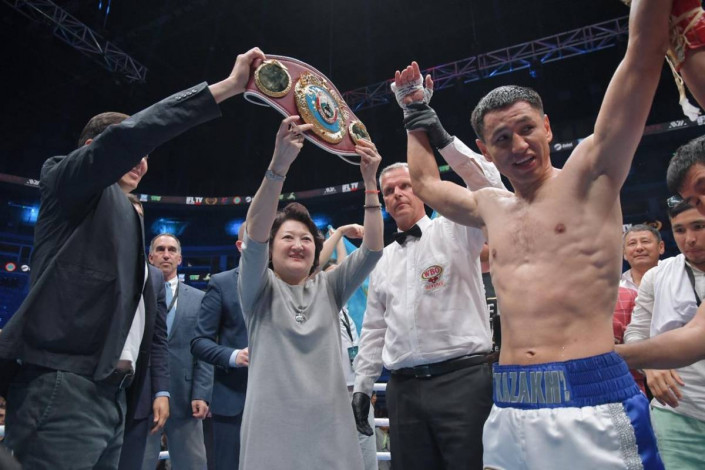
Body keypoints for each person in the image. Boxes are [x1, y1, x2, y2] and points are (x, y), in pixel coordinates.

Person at [401, 0, 670, 466]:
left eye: (527, 129)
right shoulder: (491, 206)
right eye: (502, 139)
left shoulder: (591, 175)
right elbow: (424, 183)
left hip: (589, 396)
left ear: (546, 127)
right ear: (486, 149)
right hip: (509, 403)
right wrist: (412, 111)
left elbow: (642, 57)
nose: (519, 145)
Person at [0, 47, 266, 468]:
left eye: (145, 157)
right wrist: (227, 88)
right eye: (133, 151)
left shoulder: (129, 215)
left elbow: (149, 331)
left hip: (115, 394)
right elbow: (130, 136)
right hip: (64, 383)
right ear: (96, 149)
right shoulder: (65, 178)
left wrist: (155, 390)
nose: (141, 162)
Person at [237, 116, 383, 469]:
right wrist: (278, 166)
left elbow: (373, 249)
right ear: (270, 249)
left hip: (329, 425)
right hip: (272, 427)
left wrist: (370, 183)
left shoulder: (329, 288)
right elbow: (255, 234)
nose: (298, 245)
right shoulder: (257, 288)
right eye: (287, 237)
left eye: (306, 239)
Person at [624, 202, 705, 468]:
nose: (689, 239)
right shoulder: (657, 276)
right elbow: (636, 332)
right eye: (680, 230)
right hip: (678, 412)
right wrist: (650, 365)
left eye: (699, 227)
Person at [142, 234, 213, 470]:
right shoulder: (137, 295)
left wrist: (202, 392)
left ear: (180, 259)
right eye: (160, 249)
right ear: (150, 257)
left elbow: (204, 349)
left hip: (186, 397)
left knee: (192, 464)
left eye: (172, 250)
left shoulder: (199, 299)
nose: (166, 255)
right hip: (144, 394)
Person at [117, 195, 171, 470]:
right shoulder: (96, 257)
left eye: (137, 217)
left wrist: (161, 391)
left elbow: (158, 341)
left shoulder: (155, 277)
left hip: (136, 391)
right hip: (89, 386)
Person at [190, 225, 249, 470]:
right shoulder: (222, 283)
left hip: (278, 400)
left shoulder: (284, 282)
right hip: (233, 399)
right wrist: (235, 356)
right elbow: (199, 342)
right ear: (240, 246)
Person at [323, 224, 378, 470]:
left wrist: (339, 240)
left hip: (357, 390)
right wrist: (338, 235)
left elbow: (345, 266)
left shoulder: (346, 310)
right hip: (332, 394)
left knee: (367, 455)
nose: (339, 280)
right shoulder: (321, 307)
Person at [621, 224, 665, 291]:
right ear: (624, 252)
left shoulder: (675, 276)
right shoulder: (616, 286)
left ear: (661, 247)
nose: (639, 248)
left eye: (645, 241)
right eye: (632, 243)